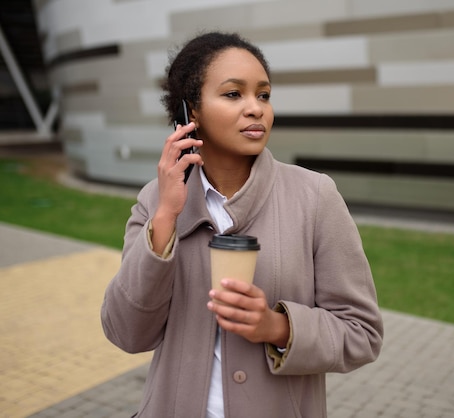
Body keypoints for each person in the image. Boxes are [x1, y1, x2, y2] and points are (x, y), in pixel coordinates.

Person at [101, 31, 383, 418]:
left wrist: (277, 327)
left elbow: (362, 334)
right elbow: (126, 333)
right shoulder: (155, 200)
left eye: (263, 95)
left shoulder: (315, 196)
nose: (255, 108)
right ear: (191, 111)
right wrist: (165, 216)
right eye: (234, 94)